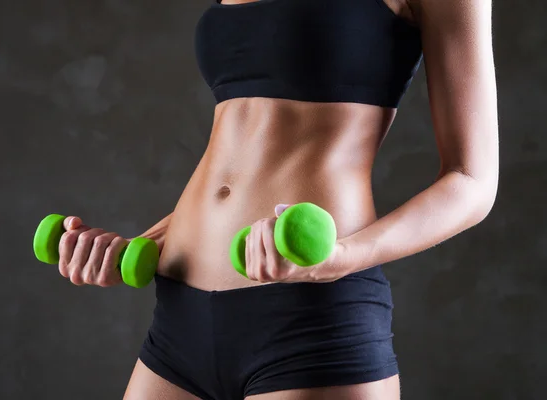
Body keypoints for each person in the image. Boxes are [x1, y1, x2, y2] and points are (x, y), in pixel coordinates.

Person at [57, 0, 498, 399]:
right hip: (178, 319)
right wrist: (146, 244)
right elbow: (246, 155)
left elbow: (471, 181)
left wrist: (340, 258)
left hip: (311, 320)